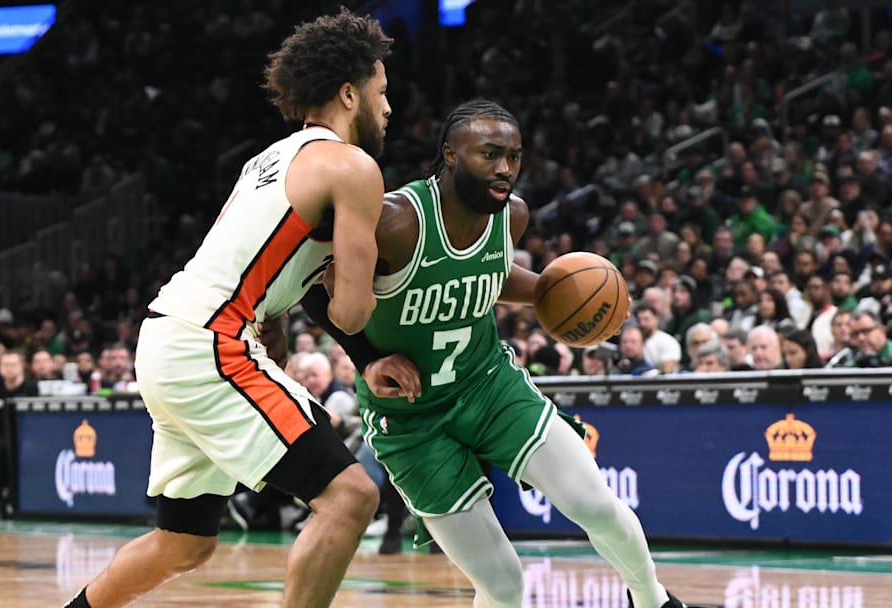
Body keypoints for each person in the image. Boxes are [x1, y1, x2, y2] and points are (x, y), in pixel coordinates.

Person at [63, 9, 392, 608]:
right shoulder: (354, 168)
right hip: (211, 345)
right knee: (350, 497)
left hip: (165, 335)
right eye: (382, 91)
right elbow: (348, 313)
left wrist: (282, 319)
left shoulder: (264, 162)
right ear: (350, 93)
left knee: (182, 544)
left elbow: (249, 264)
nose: (388, 107)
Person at [303, 100, 685, 608]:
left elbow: (488, 274)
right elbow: (311, 284)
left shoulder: (512, 216)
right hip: (412, 419)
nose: (505, 168)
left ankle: (653, 601)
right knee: (503, 585)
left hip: (488, 386)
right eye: (490, 154)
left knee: (594, 504)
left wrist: (572, 298)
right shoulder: (394, 221)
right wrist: (365, 358)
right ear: (450, 155)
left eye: (514, 156)